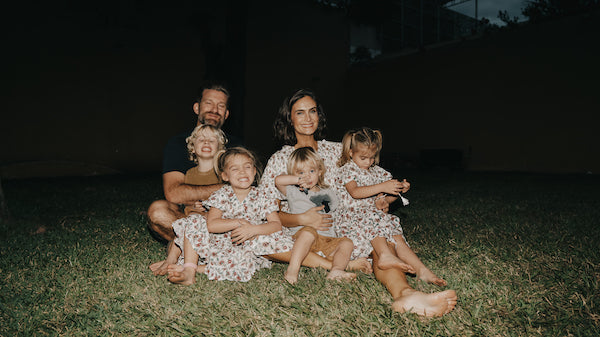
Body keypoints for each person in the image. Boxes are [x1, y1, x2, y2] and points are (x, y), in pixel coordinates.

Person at [259, 88, 456, 316]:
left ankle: (405, 294)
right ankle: (332, 265)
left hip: (342, 227)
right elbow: (267, 209)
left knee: (380, 239)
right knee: (262, 239)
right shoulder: (280, 159)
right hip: (301, 230)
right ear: (289, 119)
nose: (308, 118)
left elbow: (364, 183)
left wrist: (383, 198)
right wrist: (302, 218)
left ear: (319, 115)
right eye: (300, 113)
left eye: (312, 111)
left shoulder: (338, 152)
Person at [148, 81, 241, 276]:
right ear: (197, 107)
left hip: (223, 220)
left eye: (221, 106)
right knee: (158, 211)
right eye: (208, 103)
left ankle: (189, 251)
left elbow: (246, 189)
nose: (214, 110)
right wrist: (225, 188)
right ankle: (198, 248)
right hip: (187, 216)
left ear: (226, 114)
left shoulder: (236, 147)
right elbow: (174, 192)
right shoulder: (178, 144)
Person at [336, 127, 446, 287]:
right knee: (375, 218)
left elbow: (386, 200)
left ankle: (422, 270)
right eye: (363, 158)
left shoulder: (377, 172)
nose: (368, 162)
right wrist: (382, 186)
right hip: (353, 223)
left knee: (396, 236)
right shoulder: (348, 170)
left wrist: (397, 191)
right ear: (351, 152)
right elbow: (355, 192)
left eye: (372, 157)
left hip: (374, 220)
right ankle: (385, 255)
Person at [167, 147, 294, 284]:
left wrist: (253, 229)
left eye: (247, 167)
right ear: (225, 176)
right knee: (194, 220)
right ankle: (189, 271)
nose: (242, 172)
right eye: (235, 169)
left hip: (244, 245)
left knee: (243, 261)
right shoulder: (222, 194)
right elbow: (211, 225)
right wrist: (238, 222)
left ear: (254, 171)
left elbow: (276, 224)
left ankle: (197, 268)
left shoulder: (262, 196)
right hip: (218, 242)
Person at [275, 147, 357, 284]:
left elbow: (334, 210)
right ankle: (293, 270)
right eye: (301, 172)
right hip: (304, 236)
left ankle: (336, 270)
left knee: (347, 243)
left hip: (328, 239)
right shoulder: (294, 191)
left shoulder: (328, 191)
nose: (307, 176)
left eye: (311, 171)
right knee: (309, 232)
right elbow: (278, 180)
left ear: (319, 171)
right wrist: (297, 180)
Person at [182, 124, 227, 216]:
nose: (206, 142)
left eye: (211, 140)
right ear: (193, 148)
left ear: (219, 148)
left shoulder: (224, 173)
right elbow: (187, 203)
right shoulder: (189, 174)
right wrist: (194, 206)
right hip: (197, 217)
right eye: (201, 140)